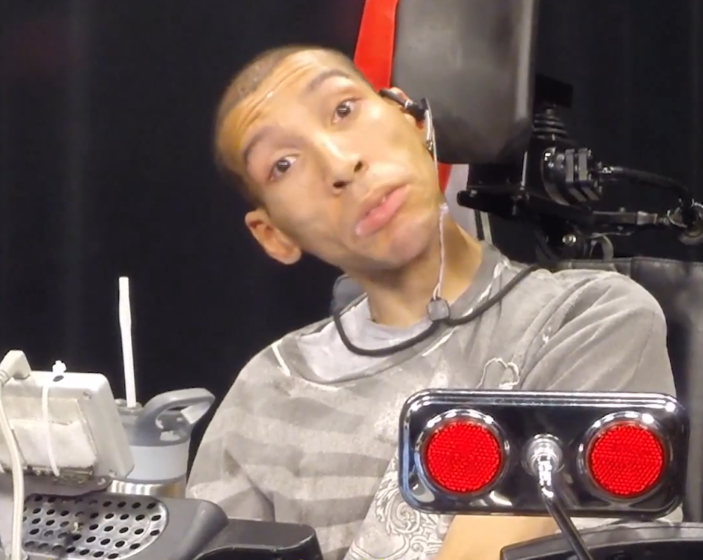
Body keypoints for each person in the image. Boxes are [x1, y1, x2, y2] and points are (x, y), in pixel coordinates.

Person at [186, 45, 679, 560]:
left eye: (344, 110)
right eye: (283, 164)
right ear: (272, 235)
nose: (340, 164)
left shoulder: (587, 321)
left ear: (411, 117)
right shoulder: (268, 389)